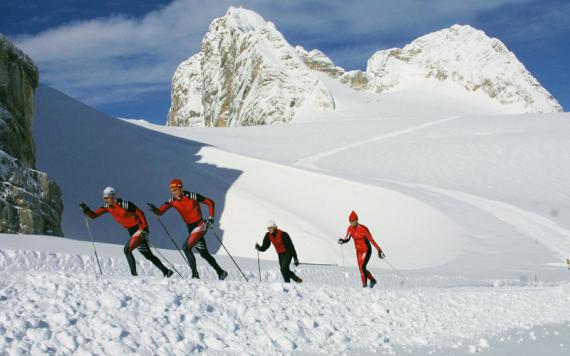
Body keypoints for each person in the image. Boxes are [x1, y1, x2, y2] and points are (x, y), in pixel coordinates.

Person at [80, 187, 173, 277]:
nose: (105, 200)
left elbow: (140, 213)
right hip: (132, 232)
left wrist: (144, 229)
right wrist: (87, 210)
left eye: (107, 198)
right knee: (148, 255)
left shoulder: (123, 204)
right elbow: (94, 215)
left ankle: (134, 275)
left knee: (127, 250)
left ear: (113, 196)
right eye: (104, 198)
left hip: (140, 229)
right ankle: (166, 271)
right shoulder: (107, 207)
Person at [148, 178, 228, 280]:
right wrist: (154, 208)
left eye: (175, 189)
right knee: (204, 254)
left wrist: (211, 219)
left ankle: (195, 275)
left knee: (186, 247)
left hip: (200, 225)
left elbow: (210, 202)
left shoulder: (192, 196)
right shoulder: (172, 201)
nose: (173, 192)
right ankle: (221, 272)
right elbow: (160, 212)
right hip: (191, 229)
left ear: (180, 188)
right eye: (171, 190)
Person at [338, 210, 385, 288]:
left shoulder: (363, 229)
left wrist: (379, 250)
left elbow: (372, 240)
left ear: (357, 220)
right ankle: (372, 280)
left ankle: (364, 286)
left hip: (366, 250)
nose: (351, 223)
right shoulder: (350, 228)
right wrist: (342, 240)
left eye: (353, 221)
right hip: (359, 251)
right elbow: (347, 238)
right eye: (350, 221)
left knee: (362, 267)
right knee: (361, 268)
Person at [255, 219, 302, 283]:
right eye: (268, 228)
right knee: (284, 270)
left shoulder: (283, 234)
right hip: (280, 254)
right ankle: (297, 280)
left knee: (283, 268)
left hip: (287, 253)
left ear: (274, 227)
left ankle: (287, 284)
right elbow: (265, 246)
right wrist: (259, 248)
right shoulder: (268, 235)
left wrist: (295, 258)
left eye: (271, 228)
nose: (269, 229)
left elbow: (291, 247)